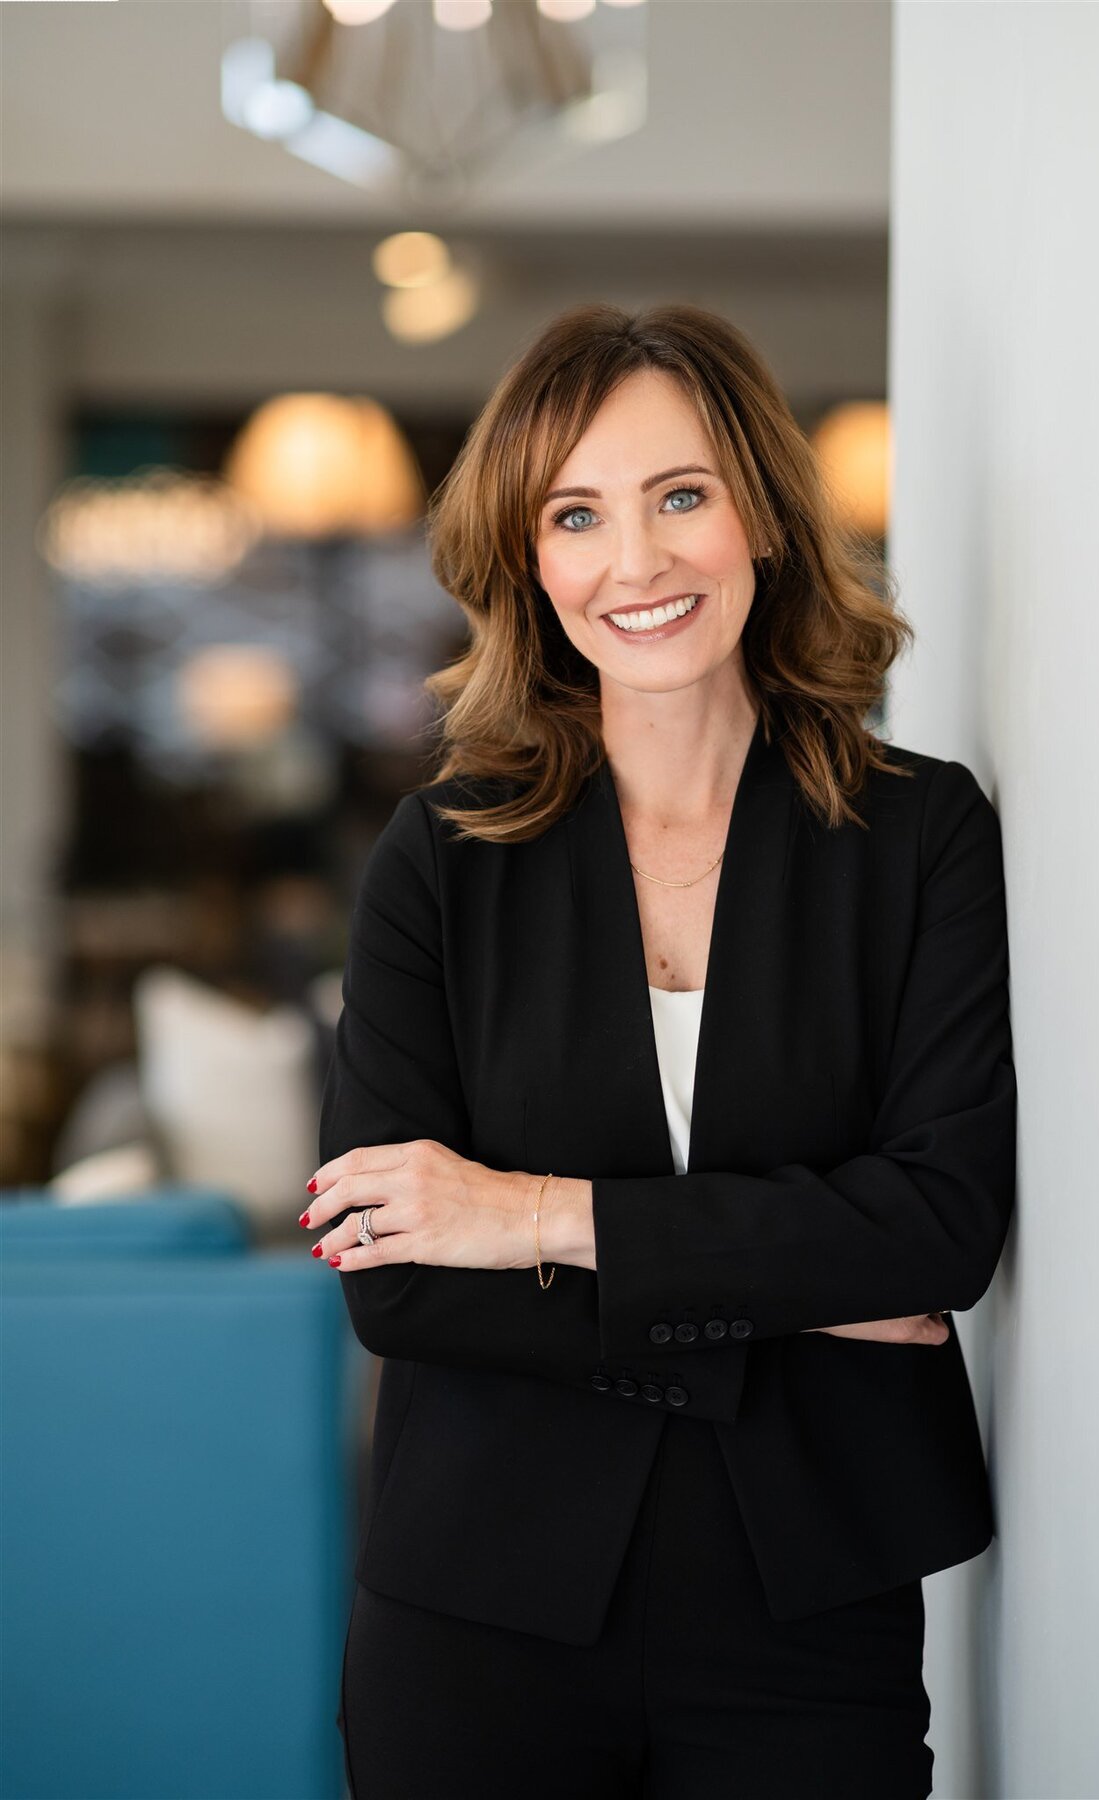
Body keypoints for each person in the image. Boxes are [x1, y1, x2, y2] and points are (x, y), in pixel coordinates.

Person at [301, 302, 1017, 1799]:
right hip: (478, 1604)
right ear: (529, 561)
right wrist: (795, 1284)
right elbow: (397, 1277)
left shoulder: (920, 837)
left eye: (679, 495)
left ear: (757, 509)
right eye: (577, 515)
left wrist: (535, 1216)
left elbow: (941, 1224)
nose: (637, 563)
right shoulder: (439, 858)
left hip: (811, 1601)